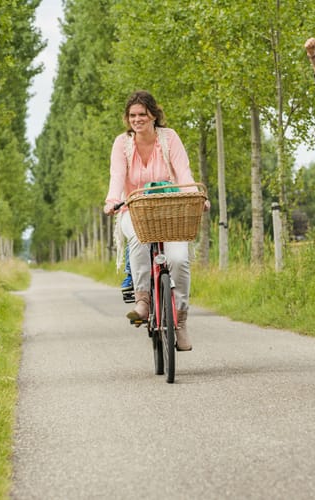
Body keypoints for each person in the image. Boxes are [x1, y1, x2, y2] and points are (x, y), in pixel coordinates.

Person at [103, 90, 206, 351]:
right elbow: (117, 175)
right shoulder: (122, 144)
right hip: (134, 210)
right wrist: (111, 200)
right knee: (138, 239)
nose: (137, 119)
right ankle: (143, 301)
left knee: (179, 259)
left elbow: (183, 173)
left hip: (169, 211)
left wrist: (196, 196)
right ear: (127, 118)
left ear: (153, 115)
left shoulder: (169, 138)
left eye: (142, 115)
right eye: (132, 115)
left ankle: (180, 321)